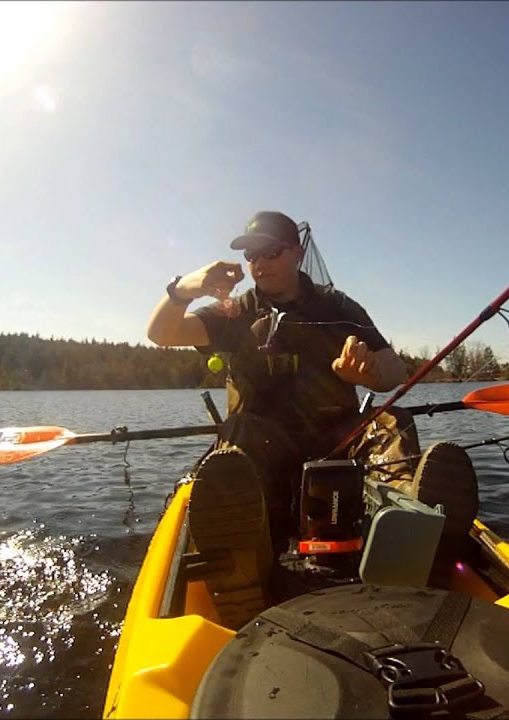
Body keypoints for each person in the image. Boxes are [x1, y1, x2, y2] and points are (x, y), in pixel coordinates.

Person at [147, 210, 478, 629]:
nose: (258, 264)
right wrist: (182, 291)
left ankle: (414, 535)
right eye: (251, 256)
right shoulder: (234, 312)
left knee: (391, 420)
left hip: (336, 442)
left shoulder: (338, 306)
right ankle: (241, 570)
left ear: (296, 254)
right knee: (239, 436)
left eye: (270, 252)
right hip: (263, 446)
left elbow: (395, 370)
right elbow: (162, 333)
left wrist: (368, 374)